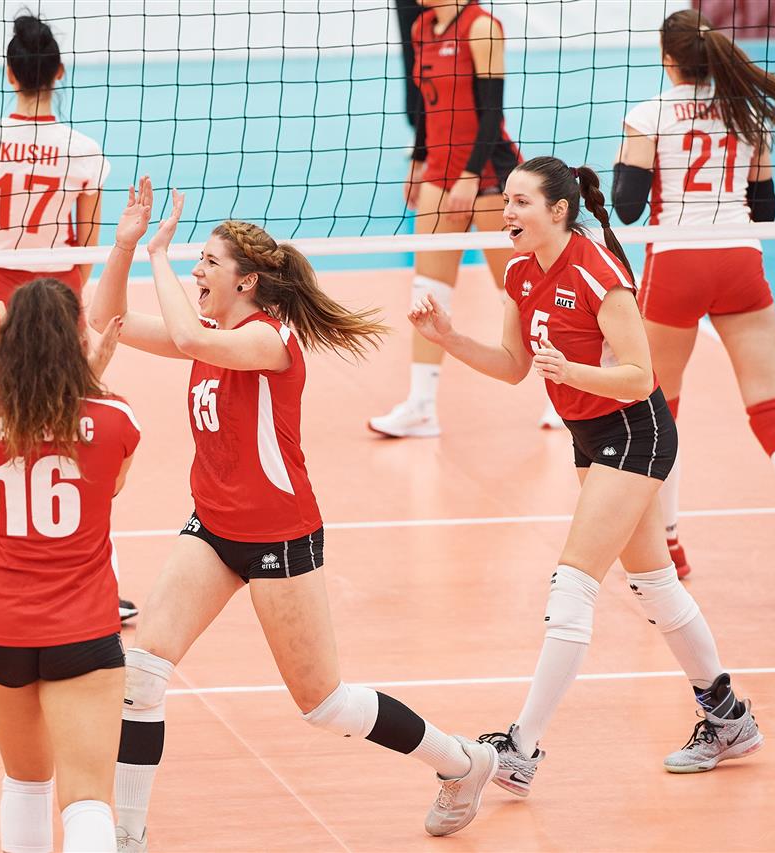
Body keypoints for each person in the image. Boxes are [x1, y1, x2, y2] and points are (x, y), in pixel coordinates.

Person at [89, 177, 499, 848]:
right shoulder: (215, 329)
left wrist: (160, 255)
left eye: (209, 263)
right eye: (197, 261)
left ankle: (462, 762)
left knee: (324, 703)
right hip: (214, 528)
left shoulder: (268, 341)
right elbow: (103, 319)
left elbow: (187, 339)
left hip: (279, 536)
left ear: (247, 281)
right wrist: (127, 245)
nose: (198, 271)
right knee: (142, 672)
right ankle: (128, 834)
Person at [409, 155, 762, 797]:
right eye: (506, 201)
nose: (506, 212)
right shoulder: (520, 272)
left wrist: (572, 373)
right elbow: (514, 365)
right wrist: (449, 337)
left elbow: (640, 377)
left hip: (634, 431)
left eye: (520, 202)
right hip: (590, 434)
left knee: (573, 582)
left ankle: (520, 748)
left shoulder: (600, 274)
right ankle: (729, 718)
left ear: (559, 211)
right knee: (653, 583)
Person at [614, 8, 775, 593]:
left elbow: (628, 207)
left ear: (668, 58)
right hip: (739, 261)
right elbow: (764, 210)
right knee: (772, 409)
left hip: (676, 263)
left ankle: (670, 544)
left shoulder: (649, 114)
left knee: (661, 410)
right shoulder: (745, 111)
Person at [0, 279, 134, 853]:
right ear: (78, 338)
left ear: (8, 341)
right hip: (83, 629)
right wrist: (90, 378)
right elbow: (110, 484)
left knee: (25, 783)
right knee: (88, 800)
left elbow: (1, 421)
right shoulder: (117, 418)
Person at [366, 0, 547, 437]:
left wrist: (469, 176)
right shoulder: (421, 28)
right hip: (439, 173)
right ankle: (421, 406)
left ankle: (565, 391)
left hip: (488, 175)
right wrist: (419, 160)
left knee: (519, 293)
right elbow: (428, 109)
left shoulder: (482, 27)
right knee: (427, 292)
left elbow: (491, 114)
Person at [0, 12, 109, 394]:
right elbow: (88, 249)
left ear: (10, 74)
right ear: (59, 72)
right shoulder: (84, 151)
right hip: (58, 293)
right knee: (64, 409)